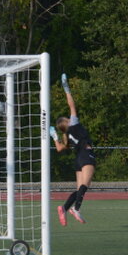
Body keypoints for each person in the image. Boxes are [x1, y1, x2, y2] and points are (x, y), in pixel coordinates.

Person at [49, 74, 95, 226]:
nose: (70, 118)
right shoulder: (73, 125)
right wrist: (66, 88)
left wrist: (54, 137)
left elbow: (59, 149)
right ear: (67, 122)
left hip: (78, 160)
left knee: (79, 189)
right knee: (85, 186)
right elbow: (72, 105)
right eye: (68, 119)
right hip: (86, 155)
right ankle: (76, 209)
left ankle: (64, 208)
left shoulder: (66, 136)